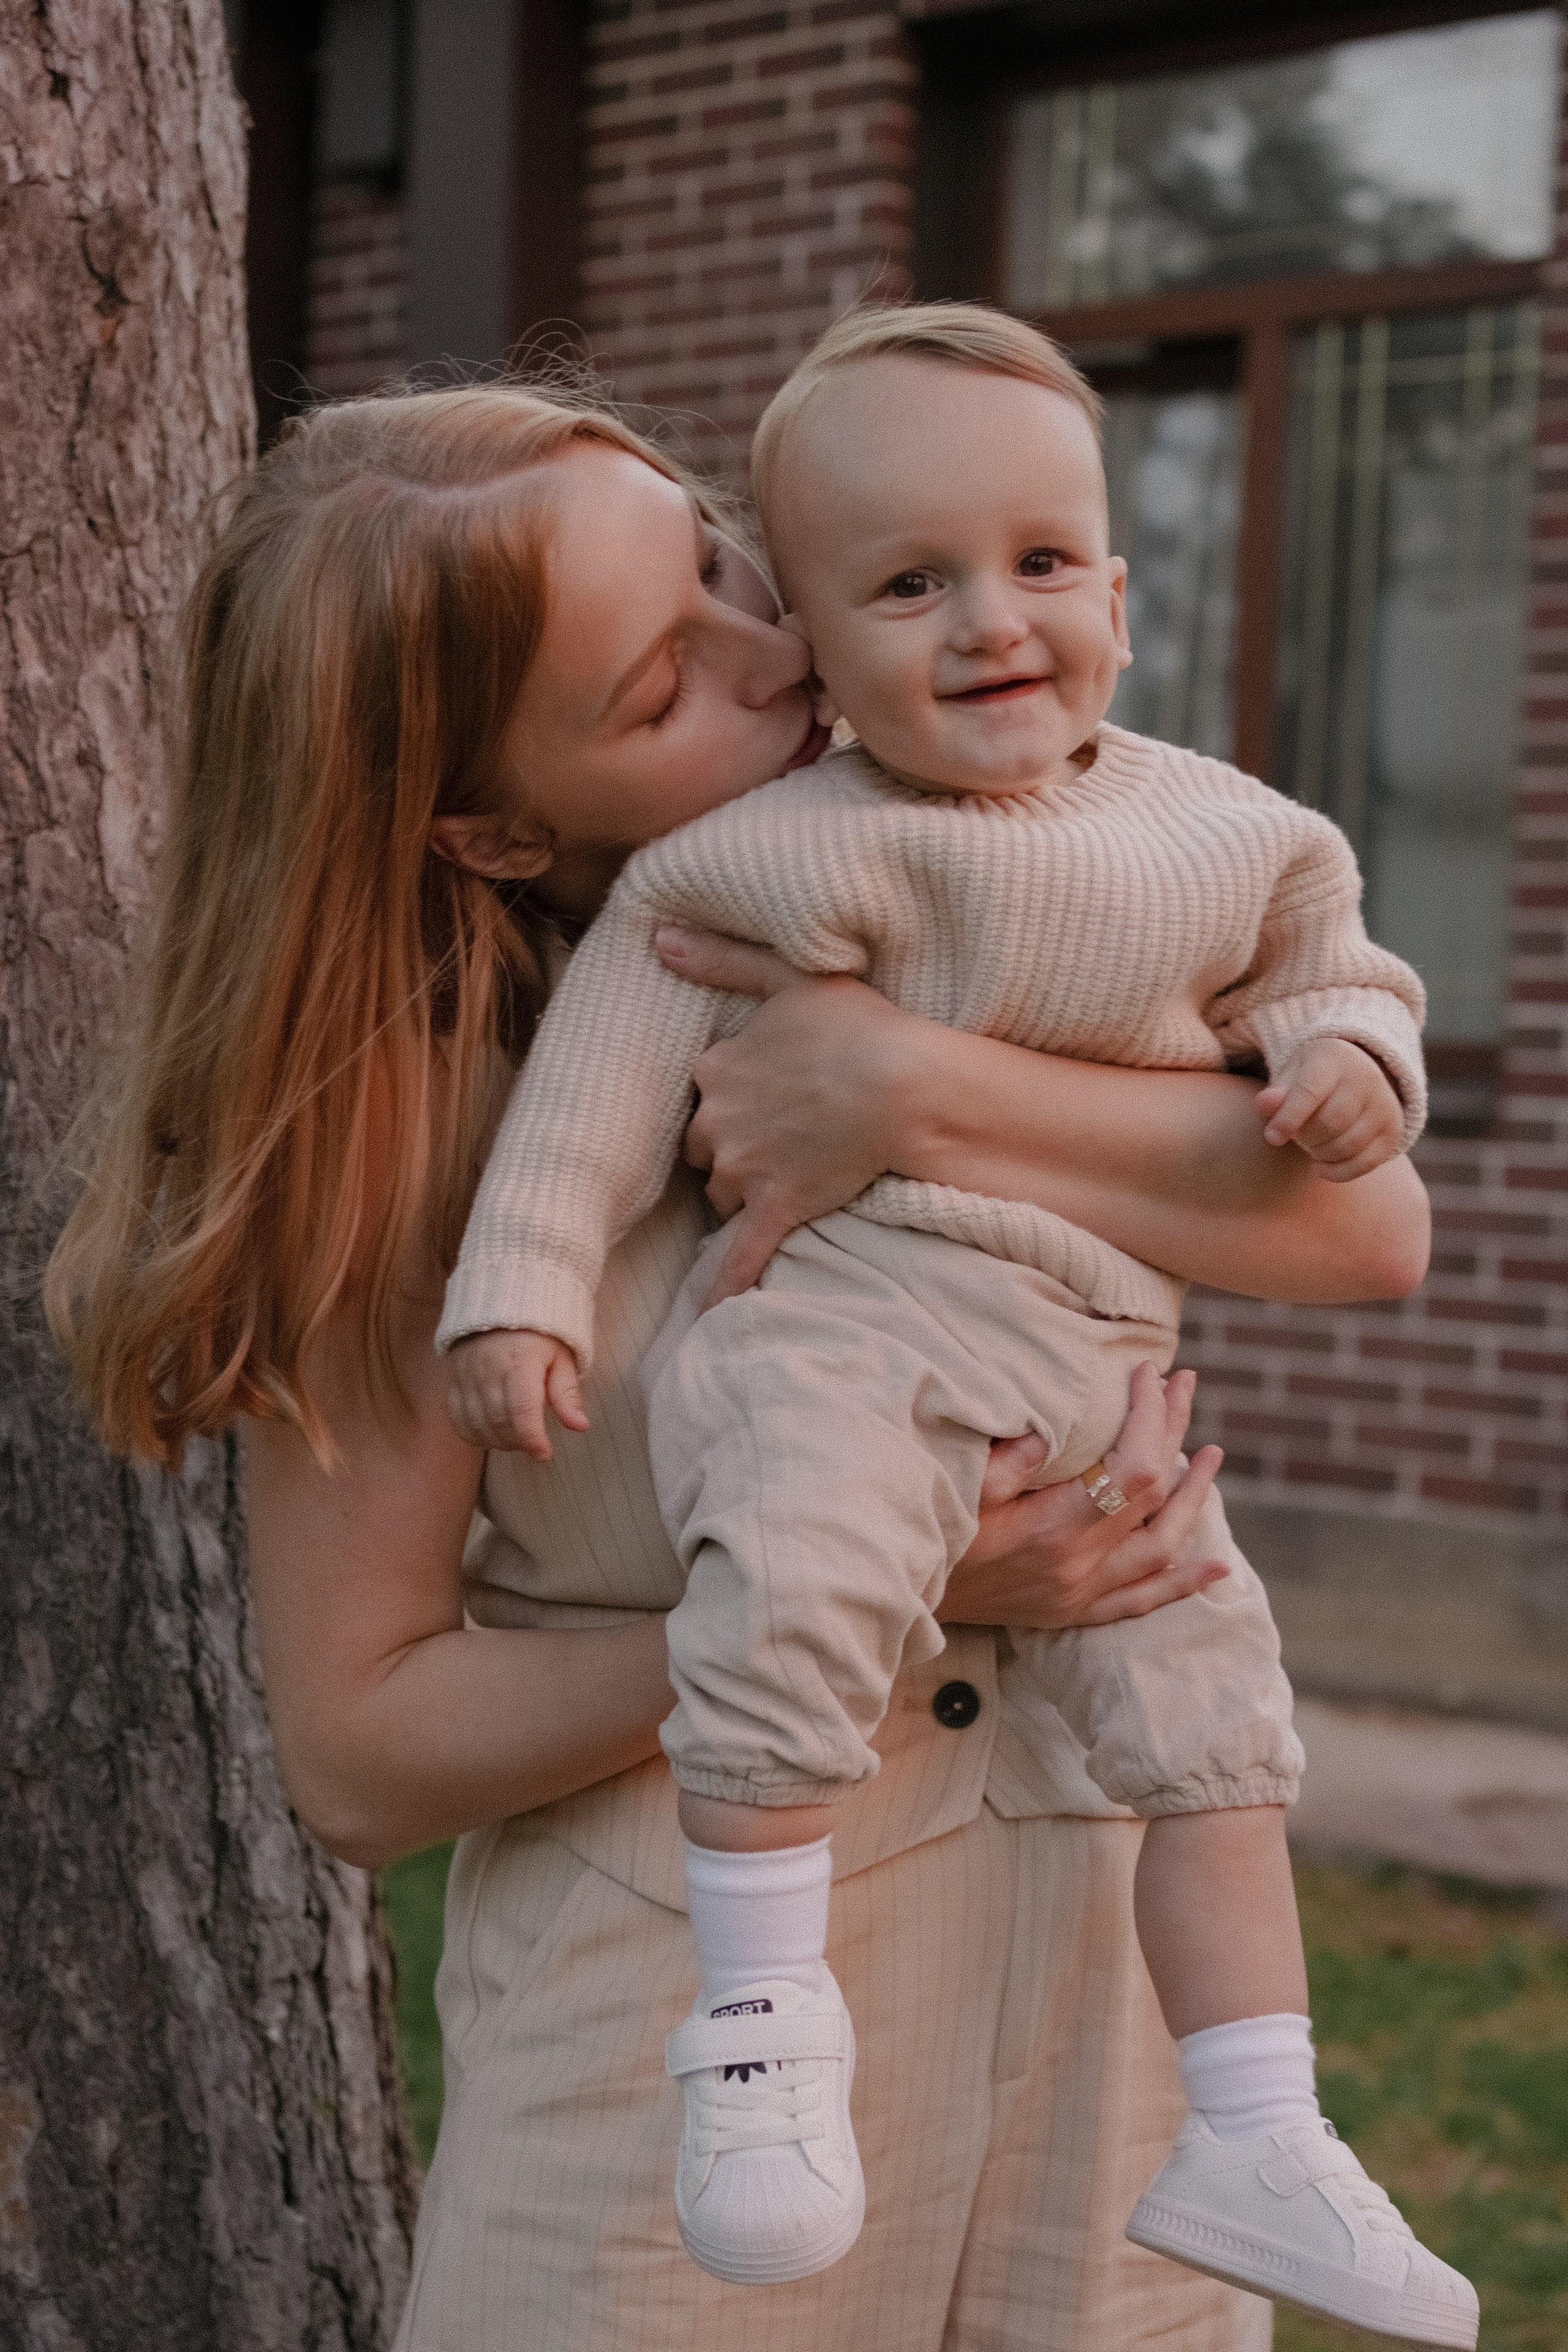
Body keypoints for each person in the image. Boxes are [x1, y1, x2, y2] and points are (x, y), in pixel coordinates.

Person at [45, 372, 1431, 2352]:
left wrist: (913, 1088)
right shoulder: (421, 1143)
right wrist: (901, 1598)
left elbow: (1369, 1230)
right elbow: (359, 1751)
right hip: (674, 2102)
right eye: (662, 683)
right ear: (492, 823)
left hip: (1099, 2042)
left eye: (722, 565)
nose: (784, 652)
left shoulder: (1024, 921)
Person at [436, 309, 1475, 2348]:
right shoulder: (755, 858)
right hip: (844, 1345)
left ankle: (1261, 2117)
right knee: (806, 1558)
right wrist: (520, 1289)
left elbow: (1339, 1007)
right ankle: (756, 2022)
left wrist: (1355, 1055)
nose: (993, 623)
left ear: (1115, 574)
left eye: (1043, 563)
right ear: (827, 651)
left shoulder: (1223, 830)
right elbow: (580, 1114)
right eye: (908, 586)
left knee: (1218, 1720)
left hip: (1094, 1382)